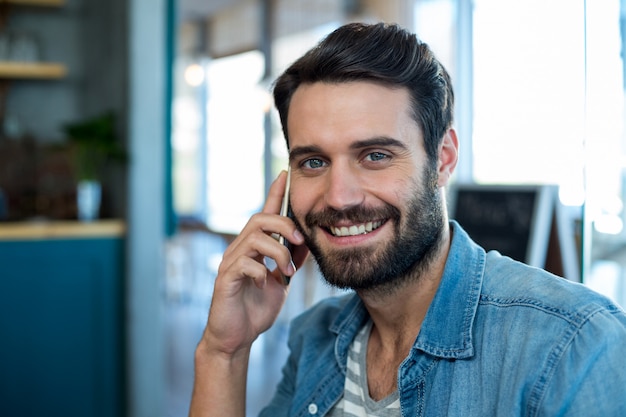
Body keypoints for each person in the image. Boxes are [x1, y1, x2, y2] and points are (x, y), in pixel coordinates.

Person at [189, 22, 626, 417]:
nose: (340, 198)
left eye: (375, 156)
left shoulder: (573, 348)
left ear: (443, 159)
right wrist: (224, 351)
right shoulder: (315, 338)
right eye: (314, 162)